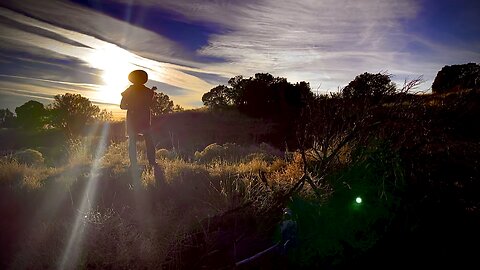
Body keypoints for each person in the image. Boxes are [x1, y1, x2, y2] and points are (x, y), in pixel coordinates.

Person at [120, 70, 157, 168]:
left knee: (134, 141)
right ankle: (151, 163)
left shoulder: (129, 92)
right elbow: (152, 105)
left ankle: (135, 164)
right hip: (142, 118)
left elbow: (122, 106)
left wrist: (133, 106)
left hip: (134, 117)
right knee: (147, 139)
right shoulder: (147, 91)